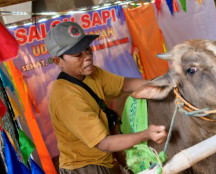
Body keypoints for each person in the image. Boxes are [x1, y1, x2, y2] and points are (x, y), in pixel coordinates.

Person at [44, 21, 167, 174]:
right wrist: (145, 134)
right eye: (78, 55)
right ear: (58, 61)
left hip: (104, 161)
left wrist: (161, 83)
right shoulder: (66, 98)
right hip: (84, 168)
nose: (87, 57)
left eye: (88, 49)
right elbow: (104, 143)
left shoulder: (92, 72)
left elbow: (124, 84)